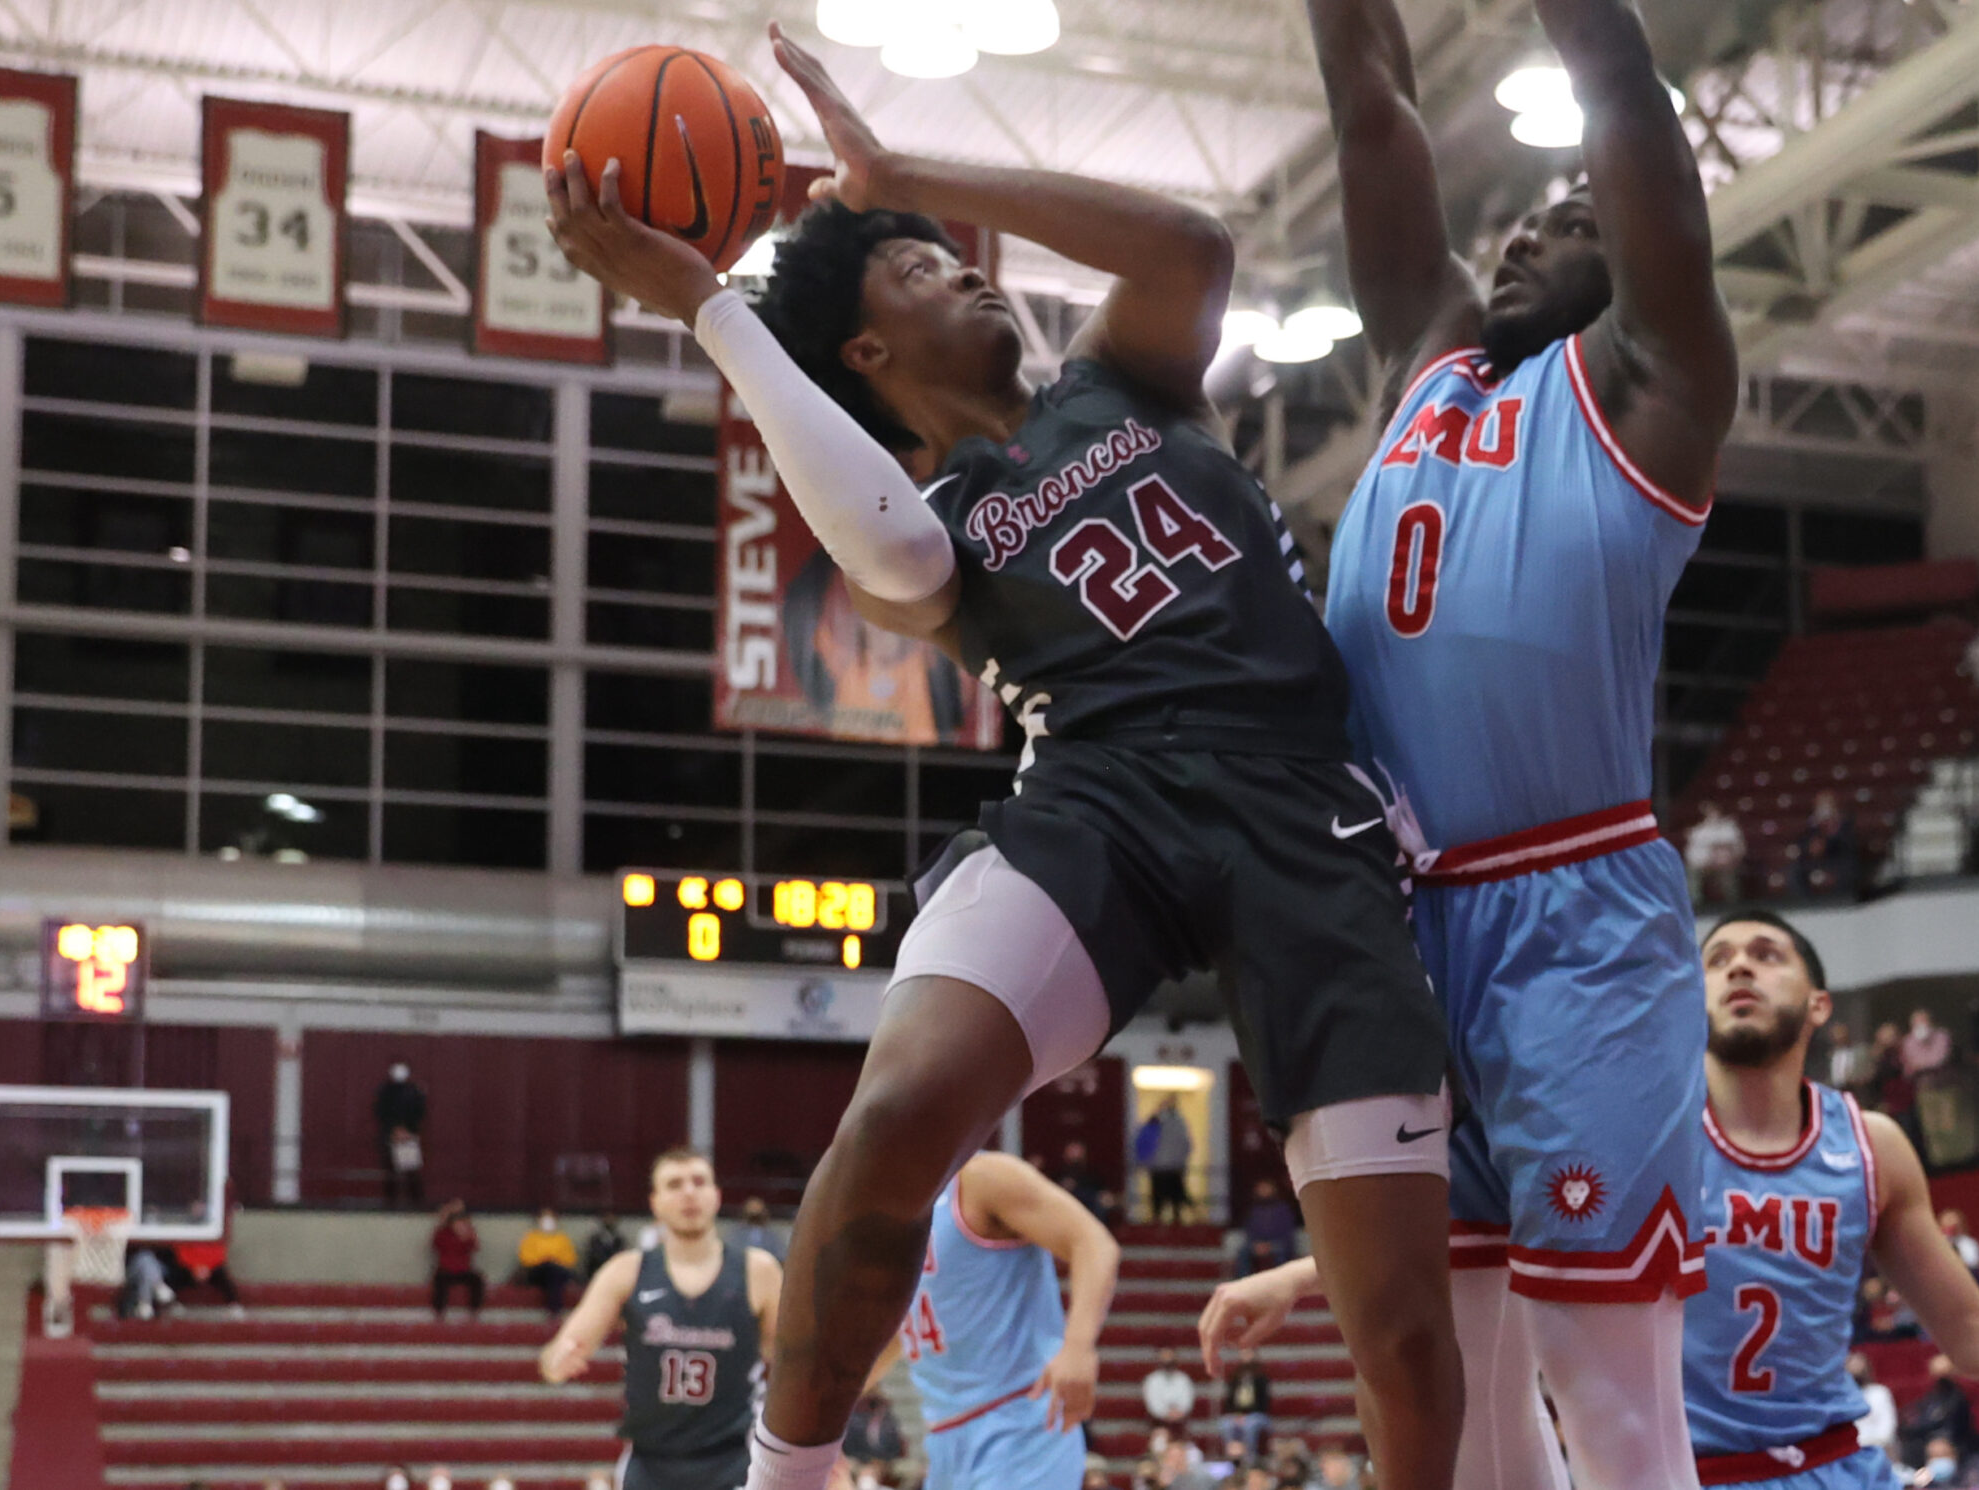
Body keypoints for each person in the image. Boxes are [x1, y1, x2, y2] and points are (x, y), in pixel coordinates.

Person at [549, 33, 1464, 1490]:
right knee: (902, 1108)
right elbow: (899, 554)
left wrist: (901, 174)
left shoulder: (1126, 380)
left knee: (1405, 1331)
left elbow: (1191, 244)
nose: (963, 269)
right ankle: (784, 1480)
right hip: (1100, 801)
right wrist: (713, 310)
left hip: (1306, 808)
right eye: (916, 269)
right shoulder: (925, 517)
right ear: (864, 353)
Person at [1299, 0, 1738, 1470]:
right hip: (1401, 929)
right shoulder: (1431, 370)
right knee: (1463, 1400)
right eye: (1524, 215)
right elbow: (1373, 107)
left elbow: (1620, 90)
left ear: (1637, 264)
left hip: (1574, 921)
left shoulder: (1657, 392)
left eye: (1569, 215)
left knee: (1604, 1384)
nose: (1523, 228)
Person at [1205, 910, 1979, 1490]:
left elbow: (1974, 1332)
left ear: (1816, 1001)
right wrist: (1302, 1275)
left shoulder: (1873, 1142)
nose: (1738, 967)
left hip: (1828, 1466)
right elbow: (1485, 1233)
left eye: (1765, 953)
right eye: (1716, 958)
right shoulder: (1630, 1125)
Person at [541, 1149, 779, 1490]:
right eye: (674, 1184)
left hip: (734, 1460)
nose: (688, 1192)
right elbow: (553, 1359)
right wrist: (559, 1360)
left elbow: (792, 1368)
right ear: (655, 1202)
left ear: (717, 1195)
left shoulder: (759, 1271)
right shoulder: (626, 1271)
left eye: (699, 1181)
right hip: (650, 1463)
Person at [880, 1151, 1119, 1489]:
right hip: (944, 1440)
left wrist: (1078, 1347)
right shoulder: (890, 1211)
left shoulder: (981, 1177)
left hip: (1021, 1424)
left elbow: (1094, 1242)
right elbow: (898, 1329)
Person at [375, 1061, 427, 1208]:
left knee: (411, 1172)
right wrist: (393, 1129)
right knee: (390, 1173)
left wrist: (407, 1131)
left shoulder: (413, 1091)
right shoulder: (384, 1091)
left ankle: (417, 1205)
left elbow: (419, 1112)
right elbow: (380, 1112)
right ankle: (389, 1205)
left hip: (407, 1138)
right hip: (390, 1137)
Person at [1144, 1099, 1195, 1227]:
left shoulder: (1156, 1121)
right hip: (1174, 1166)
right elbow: (1187, 1144)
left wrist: (1148, 1160)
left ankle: (1157, 1219)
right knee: (1175, 1195)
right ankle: (1176, 1219)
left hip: (1159, 1166)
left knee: (1159, 1195)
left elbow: (1146, 1141)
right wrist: (1182, 1160)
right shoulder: (1181, 1123)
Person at [519, 1208, 579, 1316]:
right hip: (538, 1272)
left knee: (554, 1272)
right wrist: (544, 1259)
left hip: (557, 1272)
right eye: (544, 1217)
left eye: (550, 1217)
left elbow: (570, 1260)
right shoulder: (531, 1237)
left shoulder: (562, 1238)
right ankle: (555, 1310)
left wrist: (553, 1260)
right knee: (549, 1268)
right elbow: (526, 1259)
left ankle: (554, 1311)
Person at [1684, 802, 1746, 906]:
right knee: (1691, 870)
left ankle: (1732, 903)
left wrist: (1725, 859)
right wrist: (1704, 861)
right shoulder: (1698, 831)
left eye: (1714, 812)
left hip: (1727, 864)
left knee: (1728, 872)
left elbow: (1737, 848)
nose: (1712, 814)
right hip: (1704, 864)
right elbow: (1691, 853)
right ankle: (1696, 903)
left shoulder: (1729, 827)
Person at [430, 1200, 483, 1320]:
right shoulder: (443, 1234)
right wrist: (445, 1214)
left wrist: (468, 1234)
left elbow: (476, 1247)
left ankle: (474, 1312)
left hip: (463, 1270)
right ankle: (439, 1313)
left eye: (462, 1223)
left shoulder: (468, 1234)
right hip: (446, 1270)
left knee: (477, 1279)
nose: (459, 1225)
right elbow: (434, 1245)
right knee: (439, 1281)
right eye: (457, 1223)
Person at [1218, 1349, 1272, 1463]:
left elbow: (1264, 1403)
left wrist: (1246, 1416)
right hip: (1236, 1415)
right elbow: (1229, 1401)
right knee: (1225, 1424)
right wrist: (1237, 1415)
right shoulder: (1234, 1379)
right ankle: (1232, 1458)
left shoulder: (1262, 1379)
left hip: (1257, 1415)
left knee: (1249, 1425)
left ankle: (1250, 1458)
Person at [1240, 1180, 1299, 1277]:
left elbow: (1287, 1232)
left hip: (1279, 1243)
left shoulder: (1283, 1209)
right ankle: (1244, 1282)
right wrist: (1257, 1244)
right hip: (1258, 1244)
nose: (1263, 1191)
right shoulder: (1254, 1210)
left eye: (1266, 1188)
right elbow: (1249, 1231)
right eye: (1261, 1188)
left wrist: (1269, 1245)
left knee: (1281, 1252)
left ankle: (1281, 1281)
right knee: (1243, 1252)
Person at [1848, 1353, 1896, 1456]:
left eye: (1859, 1365)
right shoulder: (1842, 1399)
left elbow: (1887, 1429)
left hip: (1879, 1452)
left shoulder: (1879, 1393)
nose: (1855, 1368)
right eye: (1851, 1365)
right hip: (1851, 1454)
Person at [1143, 1346, 1197, 1434]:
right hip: (1159, 1424)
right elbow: (1153, 1404)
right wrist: (1166, 1414)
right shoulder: (1152, 1380)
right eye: (1165, 1361)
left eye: (1170, 1361)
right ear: (1159, 1361)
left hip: (1181, 1422)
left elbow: (1187, 1402)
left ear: (1176, 1361)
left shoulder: (1183, 1379)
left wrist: (1179, 1412)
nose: (1168, 1364)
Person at [735, 1198, 789, 1265]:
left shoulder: (772, 1236)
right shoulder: (736, 1234)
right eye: (751, 1209)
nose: (754, 1210)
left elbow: (781, 1256)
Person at [585, 1211, 633, 1277]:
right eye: (607, 1218)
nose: (609, 1220)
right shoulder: (595, 1238)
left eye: (612, 1219)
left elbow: (621, 1253)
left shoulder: (619, 1239)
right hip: (598, 1267)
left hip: (616, 1266)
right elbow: (595, 1254)